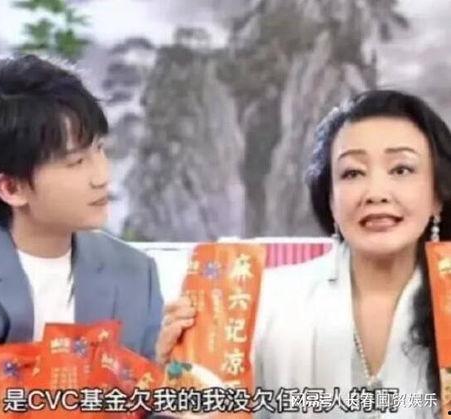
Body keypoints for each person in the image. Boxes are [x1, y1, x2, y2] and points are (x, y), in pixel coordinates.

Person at [155, 90, 451, 418]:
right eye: (353, 173)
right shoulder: (263, 301)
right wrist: (182, 374)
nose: (376, 193)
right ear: (330, 199)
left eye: (401, 169)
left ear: (438, 194)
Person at [0, 54, 163, 361]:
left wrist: (173, 363)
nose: (102, 176)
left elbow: (153, 387)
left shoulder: (137, 273)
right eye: (76, 162)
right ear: (11, 188)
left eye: (99, 149)